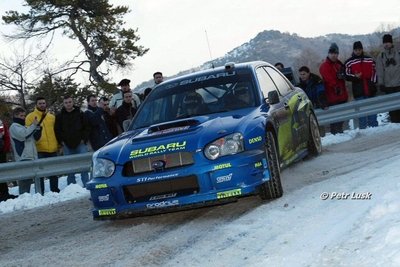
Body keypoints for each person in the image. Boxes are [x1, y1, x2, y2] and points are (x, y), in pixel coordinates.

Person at [25, 97, 60, 193]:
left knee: (53, 172)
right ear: (36, 105)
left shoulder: (51, 117)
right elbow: (28, 133)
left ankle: (55, 190)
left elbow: (56, 132)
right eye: (40, 103)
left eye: (43, 103)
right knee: (40, 173)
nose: (42, 105)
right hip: (39, 149)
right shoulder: (30, 117)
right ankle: (41, 192)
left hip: (52, 148)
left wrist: (58, 145)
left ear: (46, 104)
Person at [55, 95, 90, 187]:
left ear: (73, 102)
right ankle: (71, 186)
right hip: (66, 144)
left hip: (80, 143)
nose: (68, 104)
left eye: (70, 102)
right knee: (70, 166)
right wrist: (61, 141)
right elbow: (57, 130)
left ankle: (86, 184)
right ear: (63, 104)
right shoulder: (59, 116)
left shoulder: (80, 113)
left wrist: (84, 139)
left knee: (84, 166)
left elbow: (86, 127)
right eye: (66, 103)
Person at [345, 41, 378, 128]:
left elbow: (375, 71)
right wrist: (355, 77)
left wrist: (373, 82)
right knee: (362, 115)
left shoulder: (369, 59)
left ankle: (375, 130)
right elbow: (346, 74)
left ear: (362, 49)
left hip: (370, 89)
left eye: (359, 49)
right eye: (356, 50)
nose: (358, 51)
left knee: (372, 112)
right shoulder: (349, 62)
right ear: (353, 50)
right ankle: (363, 131)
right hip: (358, 90)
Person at [319, 43, 349, 134]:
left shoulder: (339, 64)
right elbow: (328, 79)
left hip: (342, 95)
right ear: (328, 54)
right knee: (335, 119)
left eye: (335, 53)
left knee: (341, 118)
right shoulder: (324, 66)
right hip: (332, 97)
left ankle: (339, 133)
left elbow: (344, 76)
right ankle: (335, 134)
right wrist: (335, 86)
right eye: (332, 53)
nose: (334, 55)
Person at [9, 107, 39, 194]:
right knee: (24, 181)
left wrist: (37, 129)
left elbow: (33, 138)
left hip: (30, 156)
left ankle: (27, 197)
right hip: (23, 157)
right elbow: (23, 135)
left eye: (24, 115)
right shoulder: (14, 127)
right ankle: (23, 198)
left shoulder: (24, 126)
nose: (23, 117)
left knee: (28, 180)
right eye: (21, 115)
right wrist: (33, 126)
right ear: (15, 116)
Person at [376, 34, 400, 123]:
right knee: (392, 109)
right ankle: (394, 126)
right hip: (388, 86)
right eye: (384, 42)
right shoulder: (381, 56)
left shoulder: (398, 53)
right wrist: (381, 84)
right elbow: (380, 71)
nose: (386, 44)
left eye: (388, 42)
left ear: (391, 43)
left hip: (398, 85)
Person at [0, 118, 17, 201]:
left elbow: (4, 134)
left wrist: (6, 148)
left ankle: (4, 194)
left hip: (1, 151)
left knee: (2, 173)